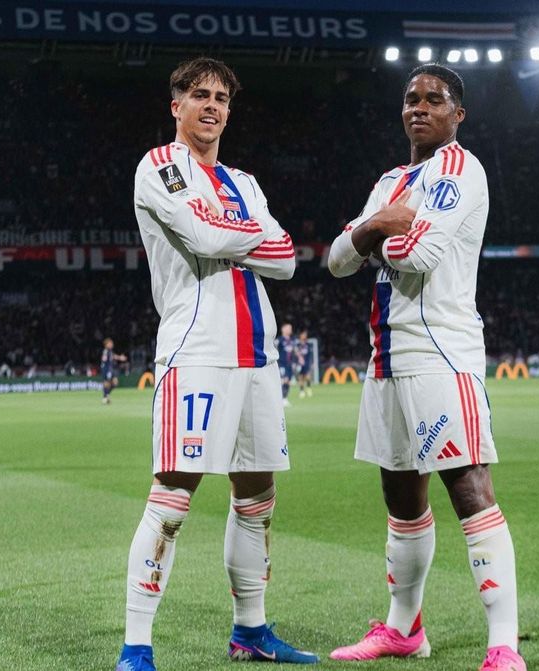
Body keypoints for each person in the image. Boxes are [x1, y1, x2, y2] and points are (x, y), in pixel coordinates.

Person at [115, 57, 317, 671]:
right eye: (199, 94)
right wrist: (245, 234)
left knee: (257, 496)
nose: (212, 106)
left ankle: (250, 631)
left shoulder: (245, 181)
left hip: (258, 353)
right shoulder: (160, 166)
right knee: (173, 497)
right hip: (197, 349)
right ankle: (136, 646)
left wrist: (225, 228)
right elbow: (206, 241)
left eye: (222, 98)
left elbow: (287, 259)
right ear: (175, 105)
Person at [327, 64, 526, 671]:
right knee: (402, 499)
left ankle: (504, 646)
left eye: (434, 100)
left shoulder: (460, 169)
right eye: (411, 98)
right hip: (386, 357)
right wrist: (377, 225)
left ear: (456, 114)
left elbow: (419, 252)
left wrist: (370, 233)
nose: (419, 107)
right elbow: (336, 260)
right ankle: (403, 630)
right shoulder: (390, 181)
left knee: (469, 488)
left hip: (441, 354)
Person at [101, 337, 128, 404]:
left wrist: (120, 358)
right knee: (107, 383)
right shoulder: (105, 351)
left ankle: (106, 395)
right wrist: (105, 363)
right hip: (106, 369)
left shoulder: (110, 351)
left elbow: (113, 356)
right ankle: (105, 397)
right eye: (110, 343)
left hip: (110, 369)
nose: (112, 344)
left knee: (115, 382)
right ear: (106, 344)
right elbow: (104, 359)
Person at [276, 323, 295, 407]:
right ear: (283, 329)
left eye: (290, 328)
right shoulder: (279, 340)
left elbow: (294, 352)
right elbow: (275, 350)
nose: (290, 330)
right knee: (284, 380)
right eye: (288, 328)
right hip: (282, 363)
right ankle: (282, 399)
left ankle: (285, 398)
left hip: (289, 364)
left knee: (288, 381)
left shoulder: (292, 340)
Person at [295, 330, 313, 398]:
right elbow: (295, 354)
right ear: (300, 335)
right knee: (300, 377)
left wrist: (312, 362)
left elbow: (310, 354)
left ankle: (308, 388)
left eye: (305, 334)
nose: (304, 336)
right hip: (299, 364)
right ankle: (301, 391)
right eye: (303, 334)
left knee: (308, 376)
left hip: (307, 363)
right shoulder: (297, 345)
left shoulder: (308, 344)